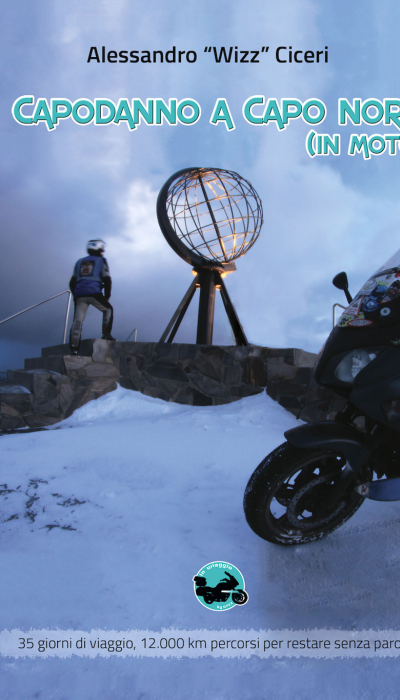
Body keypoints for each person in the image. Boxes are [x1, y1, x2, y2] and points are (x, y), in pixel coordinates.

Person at [69, 239, 115, 354]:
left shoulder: (79, 262)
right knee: (108, 309)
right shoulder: (101, 261)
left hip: (79, 295)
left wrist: (76, 295)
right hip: (94, 292)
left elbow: (72, 282)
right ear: (100, 249)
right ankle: (106, 335)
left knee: (77, 321)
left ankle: (74, 347)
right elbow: (107, 279)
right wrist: (107, 295)